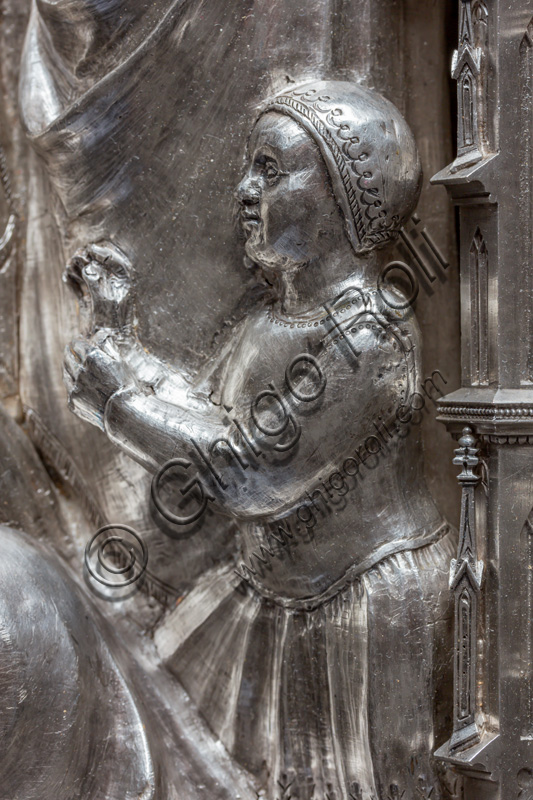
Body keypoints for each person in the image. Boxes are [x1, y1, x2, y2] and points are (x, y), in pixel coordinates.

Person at [64, 81, 455, 800]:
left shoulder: (367, 335)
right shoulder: (269, 324)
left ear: (343, 197)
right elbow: (204, 409)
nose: (245, 189)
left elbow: (249, 470)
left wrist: (117, 402)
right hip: (280, 591)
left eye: (270, 170)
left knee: (373, 782)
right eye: (249, 168)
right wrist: (118, 340)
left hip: (361, 605)